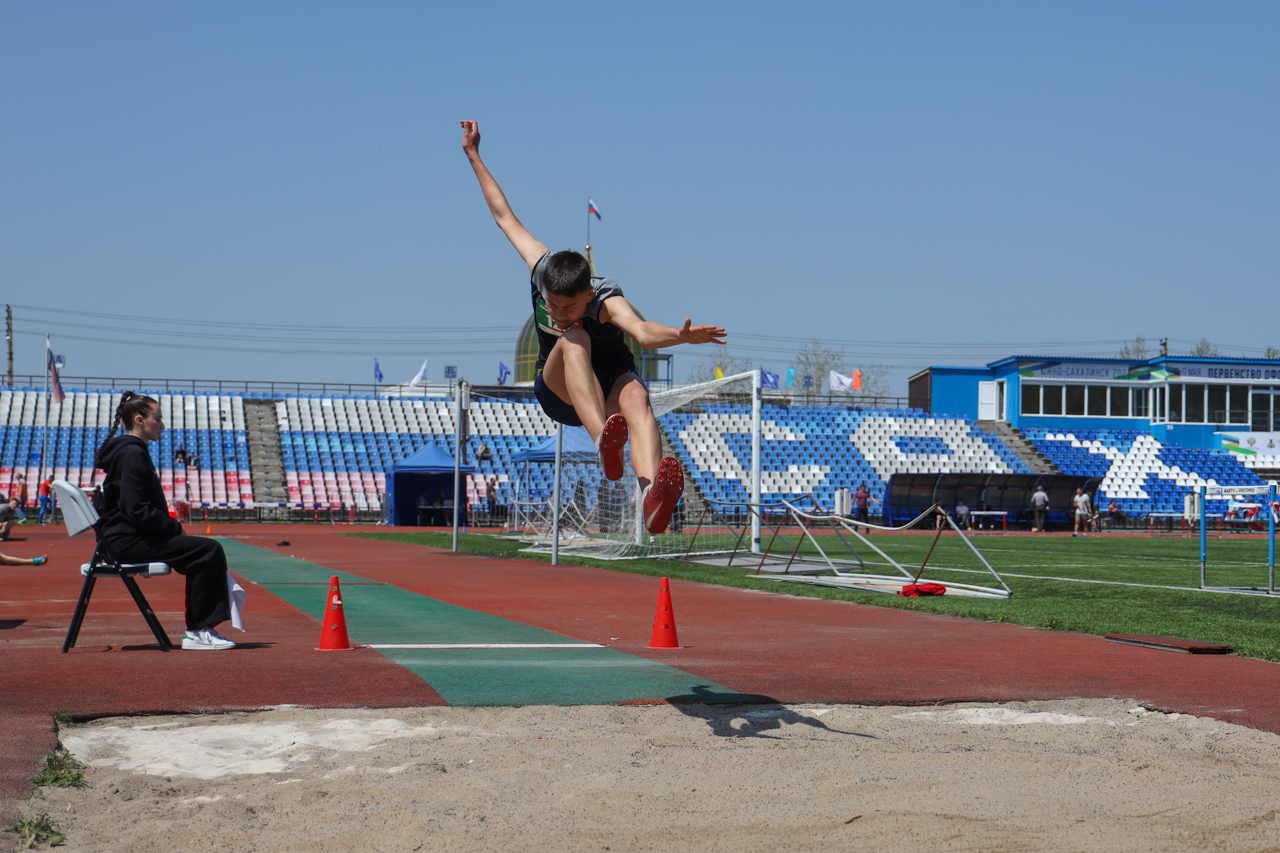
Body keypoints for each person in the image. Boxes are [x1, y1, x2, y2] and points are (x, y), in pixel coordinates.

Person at [461, 119, 726, 534]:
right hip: (560, 390)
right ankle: (605, 439)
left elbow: (640, 332)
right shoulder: (542, 268)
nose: (559, 312)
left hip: (608, 389)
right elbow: (503, 215)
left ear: (588, 294)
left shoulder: (605, 296)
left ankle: (651, 498)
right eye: (553, 305)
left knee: (637, 397)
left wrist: (679, 335)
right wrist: (474, 154)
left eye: (570, 306)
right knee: (573, 338)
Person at [95, 392, 239, 650]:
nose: (162, 425)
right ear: (139, 420)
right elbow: (135, 509)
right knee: (208, 550)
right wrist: (173, 528)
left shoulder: (128, 451)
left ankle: (199, 629)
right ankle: (197, 632)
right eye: (158, 419)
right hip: (125, 542)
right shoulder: (131, 454)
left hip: (119, 539)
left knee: (200, 551)